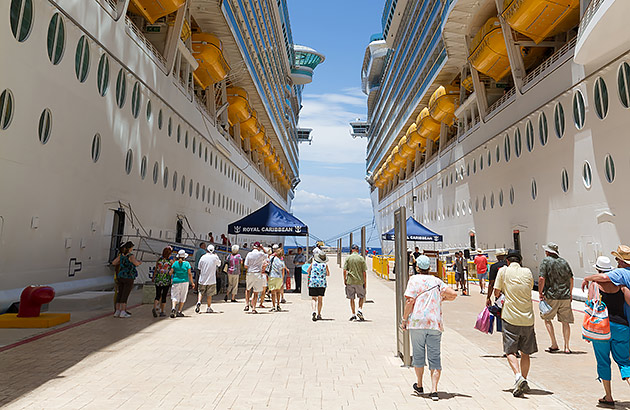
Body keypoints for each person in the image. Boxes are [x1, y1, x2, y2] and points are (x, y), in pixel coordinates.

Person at [402, 255, 457, 401]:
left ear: (417, 267)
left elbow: (409, 301)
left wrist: (404, 319)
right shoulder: (437, 281)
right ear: (429, 268)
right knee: (434, 356)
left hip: (417, 323)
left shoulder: (413, 280)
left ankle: (419, 385)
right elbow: (453, 294)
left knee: (418, 355)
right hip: (434, 323)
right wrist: (443, 298)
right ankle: (434, 390)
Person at [586, 256, 630, 406]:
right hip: (622, 327)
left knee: (603, 361)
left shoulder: (595, 285)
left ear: (597, 269)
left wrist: (587, 331)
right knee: (625, 362)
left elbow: (590, 308)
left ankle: (608, 396)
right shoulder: (622, 285)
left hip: (601, 329)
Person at [493, 249, 537, 397]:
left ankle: (518, 376)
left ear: (507, 260)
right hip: (528, 317)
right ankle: (524, 379)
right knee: (526, 352)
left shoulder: (503, 271)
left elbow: (496, 292)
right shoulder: (527, 272)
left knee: (510, 351)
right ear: (520, 260)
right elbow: (529, 287)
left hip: (510, 316)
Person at [538, 242, 574, 354]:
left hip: (551, 295)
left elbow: (542, 278)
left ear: (548, 252)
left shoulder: (546, 261)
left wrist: (540, 292)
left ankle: (554, 343)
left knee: (547, 318)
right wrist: (570, 293)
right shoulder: (564, 262)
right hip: (565, 295)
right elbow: (571, 278)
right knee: (565, 321)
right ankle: (567, 347)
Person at [111, 241, 142, 318]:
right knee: (125, 294)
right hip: (128, 276)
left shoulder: (121, 256)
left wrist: (121, 263)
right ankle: (123, 311)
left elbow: (113, 263)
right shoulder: (130, 256)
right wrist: (139, 262)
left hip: (121, 275)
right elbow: (136, 263)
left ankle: (117, 311)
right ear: (129, 248)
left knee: (120, 293)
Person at [344, 244, 368, 321]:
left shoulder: (348, 258)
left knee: (351, 298)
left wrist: (344, 280)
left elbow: (344, 270)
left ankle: (353, 314)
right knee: (361, 296)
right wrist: (365, 282)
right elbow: (364, 272)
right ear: (358, 250)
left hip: (350, 281)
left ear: (352, 250)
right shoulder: (361, 258)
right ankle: (360, 310)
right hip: (359, 281)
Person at [169, 250, 195, 317]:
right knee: (183, 296)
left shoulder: (175, 263)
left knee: (174, 296)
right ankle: (179, 311)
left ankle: (173, 308)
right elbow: (189, 274)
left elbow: (170, 273)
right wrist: (192, 283)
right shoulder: (187, 264)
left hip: (175, 281)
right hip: (184, 281)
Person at [196, 245, 221, 313]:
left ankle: (198, 302)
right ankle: (208, 307)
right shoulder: (215, 257)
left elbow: (199, 267)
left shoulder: (203, 257)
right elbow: (219, 264)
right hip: (211, 279)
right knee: (209, 294)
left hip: (202, 278)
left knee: (201, 291)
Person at [244, 242, 267, 314]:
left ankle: (247, 304)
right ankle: (254, 308)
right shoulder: (260, 254)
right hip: (258, 273)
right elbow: (267, 254)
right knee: (256, 292)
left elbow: (245, 265)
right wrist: (263, 248)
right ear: (259, 247)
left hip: (250, 272)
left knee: (248, 289)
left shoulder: (249, 254)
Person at [307, 252, 330, 321]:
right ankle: (319, 314)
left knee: (313, 298)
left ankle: (314, 311)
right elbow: (328, 274)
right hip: (322, 283)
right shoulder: (325, 265)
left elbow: (308, 271)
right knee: (320, 299)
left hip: (313, 282)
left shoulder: (313, 263)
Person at [152, 247, 173, 317]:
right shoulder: (170, 261)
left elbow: (155, 269)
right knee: (164, 296)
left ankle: (155, 307)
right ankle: (162, 311)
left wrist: (153, 277)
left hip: (158, 279)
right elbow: (172, 271)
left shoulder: (159, 260)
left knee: (158, 295)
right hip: (166, 280)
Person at [267, 247, 287, 312]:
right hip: (279, 277)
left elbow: (269, 256)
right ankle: (278, 305)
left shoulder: (272, 258)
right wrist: (282, 279)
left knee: (273, 292)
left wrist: (273, 254)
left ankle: (273, 306)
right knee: (278, 291)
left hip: (272, 276)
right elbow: (283, 271)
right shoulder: (282, 262)